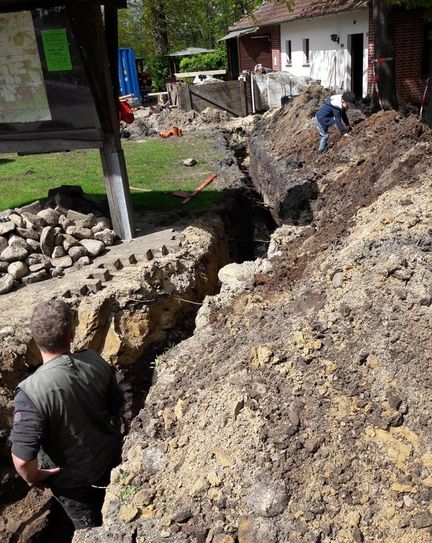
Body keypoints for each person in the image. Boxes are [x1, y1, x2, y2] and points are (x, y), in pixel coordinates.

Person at [9, 299, 124, 541]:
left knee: (89, 531)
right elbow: (116, 408)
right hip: (110, 459)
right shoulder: (94, 360)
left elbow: (21, 462)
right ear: (72, 334)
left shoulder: (30, 392)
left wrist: (36, 477)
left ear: (34, 339)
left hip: (74, 484)